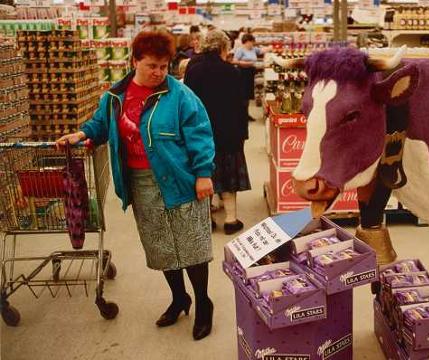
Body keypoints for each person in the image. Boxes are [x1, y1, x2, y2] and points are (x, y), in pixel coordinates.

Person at [55, 30, 216, 341]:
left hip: (181, 179)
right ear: (134, 61)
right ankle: (179, 298)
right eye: (151, 66)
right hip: (141, 182)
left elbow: (200, 134)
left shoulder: (181, 96)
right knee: (162, 248)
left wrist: (203, 173)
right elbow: (100, 125)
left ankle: (203, 303)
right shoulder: (115, 96)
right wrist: (80, 134)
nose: (158, 73)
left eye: (164, 66)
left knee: (192, 246)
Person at [185, 30, 250, 235]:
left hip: (200, 133)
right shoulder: (232, 71)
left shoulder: (193, 69)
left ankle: (208, 219)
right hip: (228, 133)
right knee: (228, 175)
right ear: (223, 48)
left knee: (205, 174)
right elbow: (241, 105)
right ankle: (231, 220)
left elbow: (186, 103)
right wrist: (243, 134)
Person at [233, 33, 269, 122]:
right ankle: (242, 115)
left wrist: (271, 47)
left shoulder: (253, 49)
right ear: (246, 42)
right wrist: (248, 63)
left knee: (248, 95)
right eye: (251, 42)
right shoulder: (240, 50)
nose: (252, 44)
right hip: (242, 74)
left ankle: (246, 114)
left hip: (250, 74)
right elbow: (235, 61)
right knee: (243, 95)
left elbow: (261, 51)